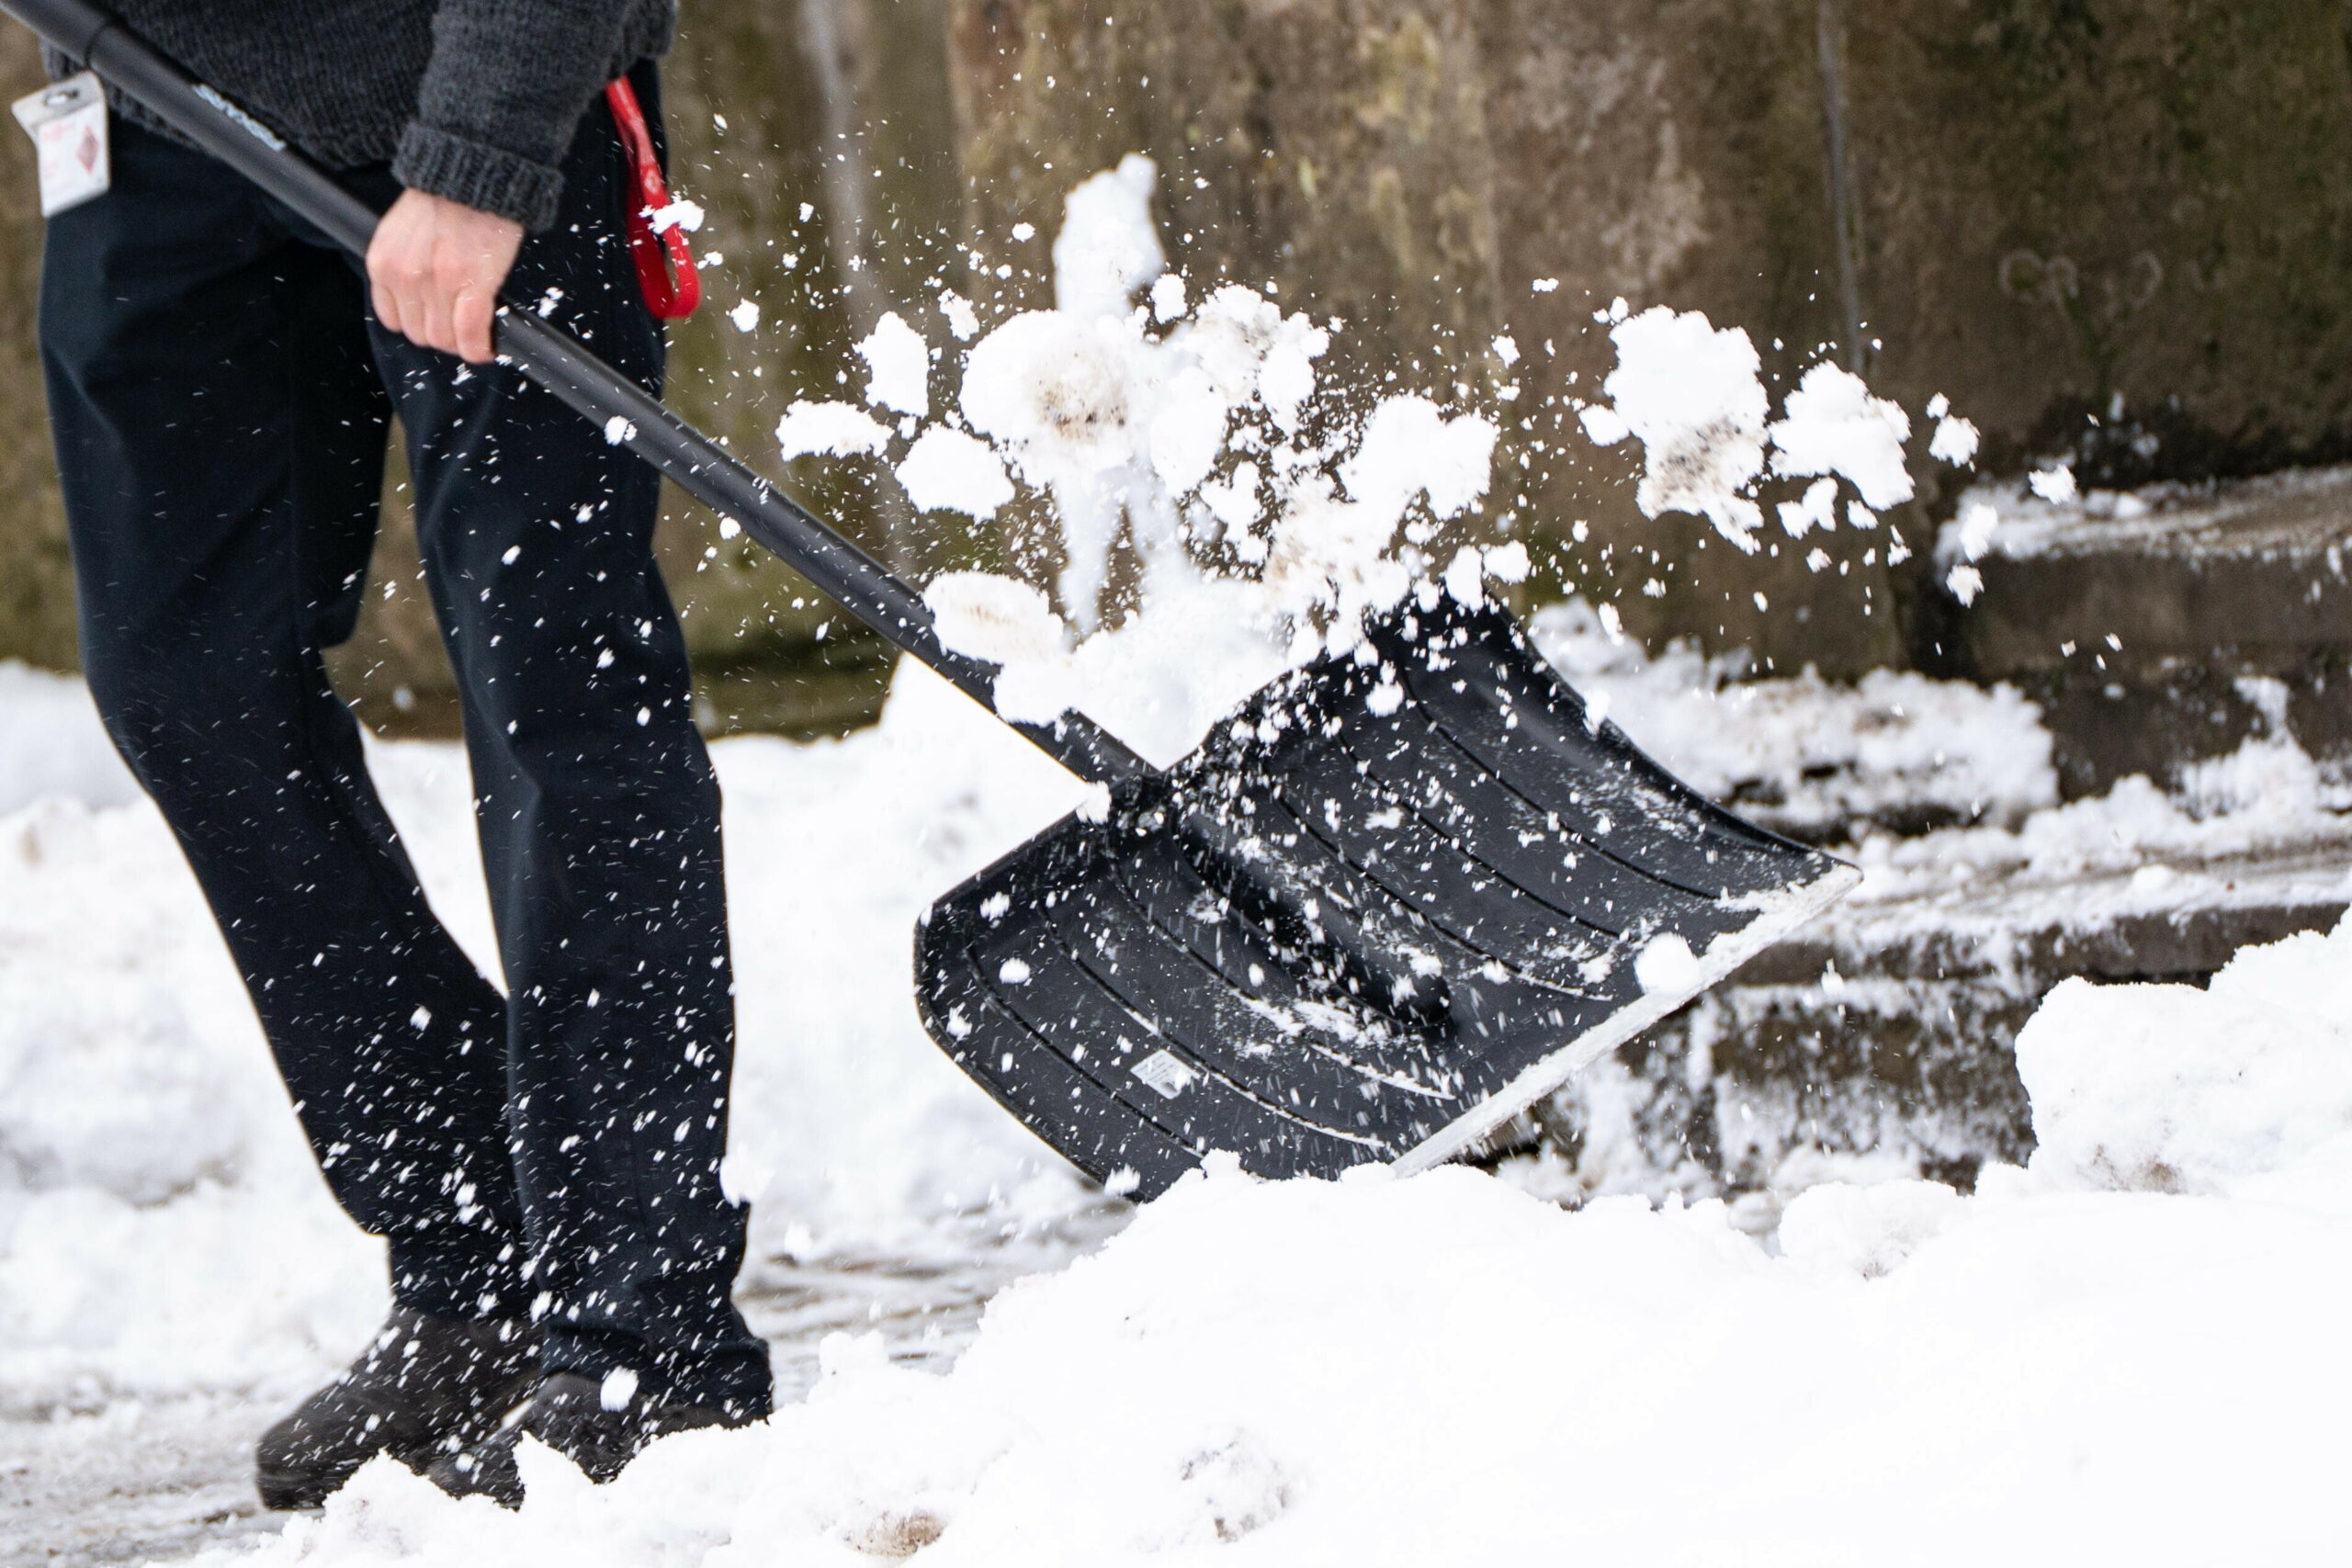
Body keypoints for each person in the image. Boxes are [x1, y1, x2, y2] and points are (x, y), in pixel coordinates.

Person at [34, 0, 771, 1509]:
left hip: (480, 90)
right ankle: (479, 1247)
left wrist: (484, 153)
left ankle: (648, 1326)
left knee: (560, 700)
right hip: (150, 105)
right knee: (188, 686)